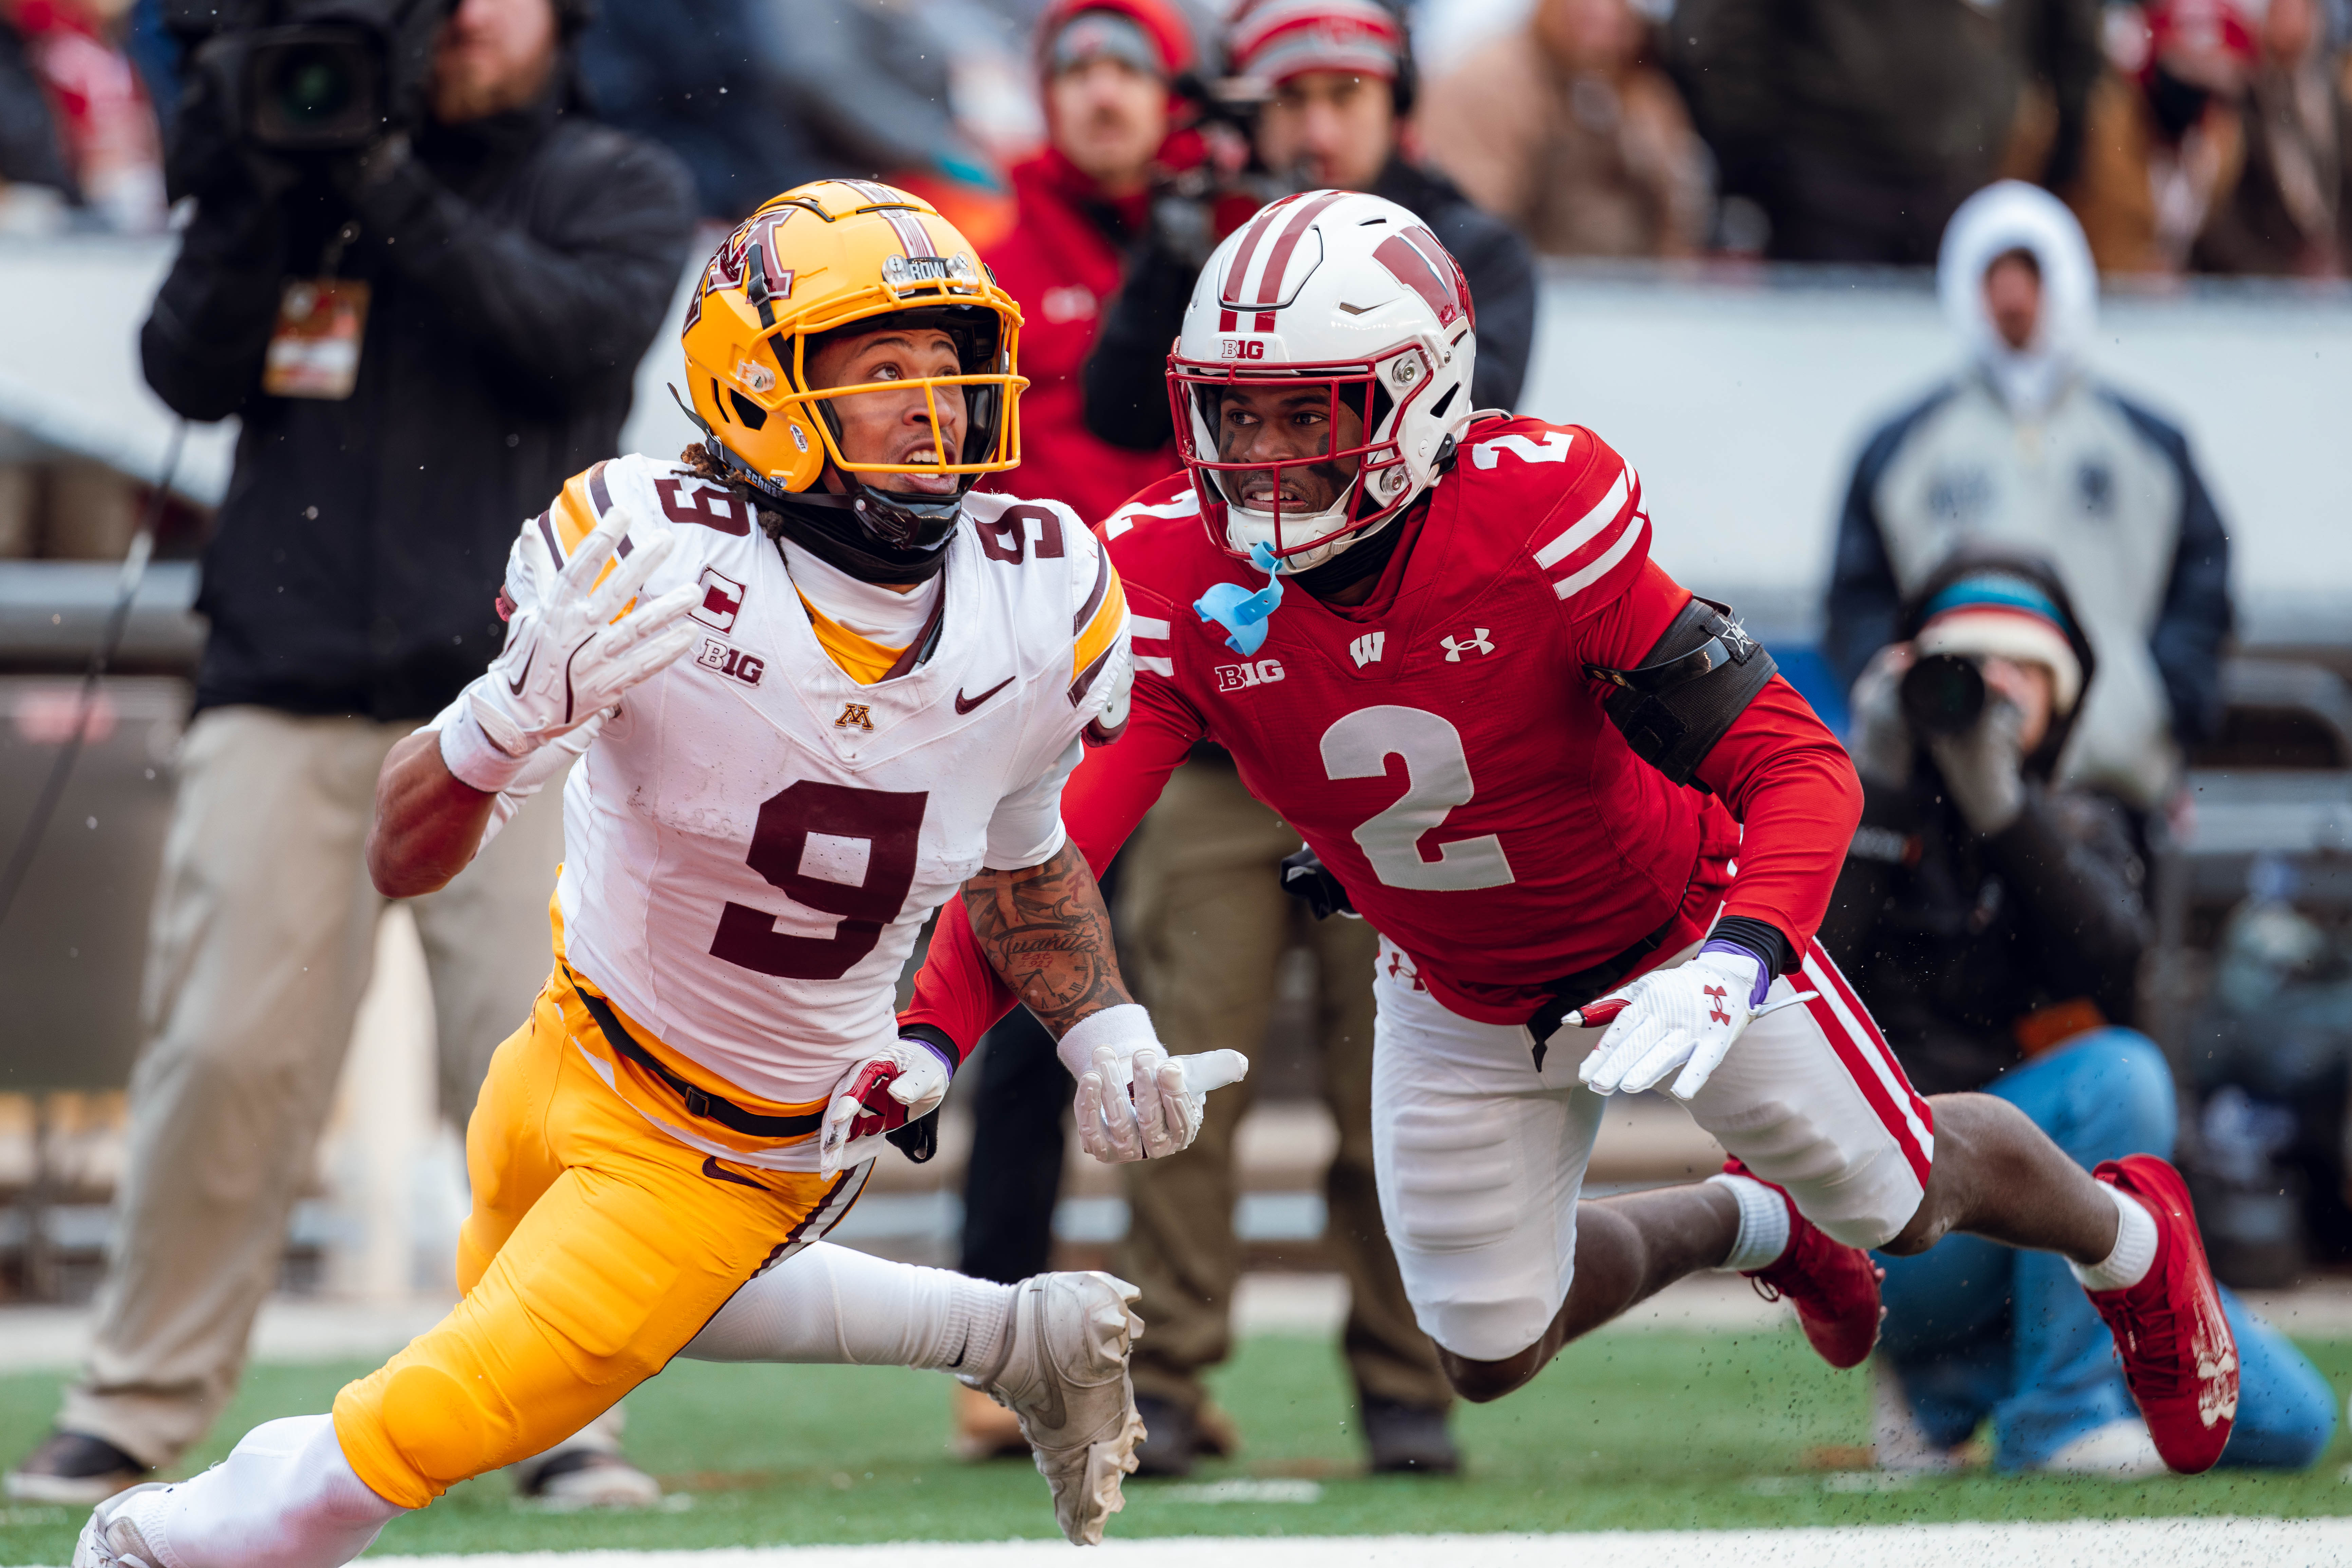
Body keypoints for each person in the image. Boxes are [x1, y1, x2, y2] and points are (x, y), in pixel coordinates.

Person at [902, 188, 2247, 1485]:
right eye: (1231, 416)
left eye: (1306, 414)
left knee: (1898, 1200)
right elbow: (1045, 848)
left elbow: (1798, 763)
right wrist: (925, 1042)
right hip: (1451, 983)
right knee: (1485, 1354)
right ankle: (1743, 1219)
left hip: (1668, 934)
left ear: (1421, 395)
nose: (1259, 461)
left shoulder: (1535, 510)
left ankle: (2128, 1239)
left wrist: (1739, 955)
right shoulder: (1168, 571)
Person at [72, 179, 1255, 1568]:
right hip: (566, 1043)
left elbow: (1021, 851)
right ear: (757, 390)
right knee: (554, 1321)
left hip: (747, 1147)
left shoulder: (1040, 589)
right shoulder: (650, 548)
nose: (937, 406)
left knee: (407, 1437)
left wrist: (1099, 1020)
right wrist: (497, 720)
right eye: (883, 370)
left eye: (951, 366)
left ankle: (166, 1544)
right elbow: (402, 856)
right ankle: (1012, 1335)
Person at [7, 0, 698, 1510]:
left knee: (537, 1063)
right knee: (223, 1058)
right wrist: (271, 182)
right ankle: (132, 1400)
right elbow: (183, 369)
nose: (459, 22)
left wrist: (385, 184)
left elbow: (565, 339)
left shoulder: (611, 179)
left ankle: (562, 1409)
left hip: (519, 699)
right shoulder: (291, 153)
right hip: (286, 677)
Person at [1824, 553, 2337, 1476]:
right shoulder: (1847, 815)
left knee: (2286, 1422)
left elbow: (2112, 966)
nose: (1991, 692)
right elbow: (1802, 976)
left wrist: (2006, 812)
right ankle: (2060, 1416)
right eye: (1967, 668)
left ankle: (1949, 1384)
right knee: (2117, 1073)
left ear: (2063, 698)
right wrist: (1875, 791)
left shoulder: (2086, 822)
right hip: (1895, 1231)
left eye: (2022, 671)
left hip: (2051, 1231)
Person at [1823, 180, 2233, 815]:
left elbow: (2204, 584)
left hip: (2111, 779)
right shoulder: (1901, 448)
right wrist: (1904, 703)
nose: (2013, 298)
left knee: (2104, 915)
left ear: (2065, 280)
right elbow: (1857, 596)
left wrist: (2165, 699)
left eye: (2029, 274)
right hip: (1945, 782)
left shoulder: (2151, 445)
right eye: (1995, 277)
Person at [1080, 0, 1536, 451]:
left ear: (1395, 105)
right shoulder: (1211, 226)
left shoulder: (1474, 250)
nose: (1320, 133)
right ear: (1250, 118)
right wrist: (1172, 269)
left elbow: (1464, 423)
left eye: (1347, 93)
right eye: (1291, 98)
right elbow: (1118, 420)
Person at [1670, 0, 2103, 263]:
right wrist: (1762, 162)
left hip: (1967, 188)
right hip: (1827, 192)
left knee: (1947, 397)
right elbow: (1719, 37)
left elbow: (2074, 40)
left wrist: (2067, 147)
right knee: (1826, 381)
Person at [1415, 0, 1712, 259]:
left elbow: (1683, 224)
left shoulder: (1646, 94)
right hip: (1535, 296)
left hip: (1644, 306)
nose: (1600, 11)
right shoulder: (1492, 84)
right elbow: (1473, 231)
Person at [2191, 0, 2351, 276]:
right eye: (2281, 13)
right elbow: (2219, 219)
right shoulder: (2242, 104)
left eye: (2299, 13)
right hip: (2271, 286)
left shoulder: (2336, 105)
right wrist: (2283, 273)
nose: (2290, 26)